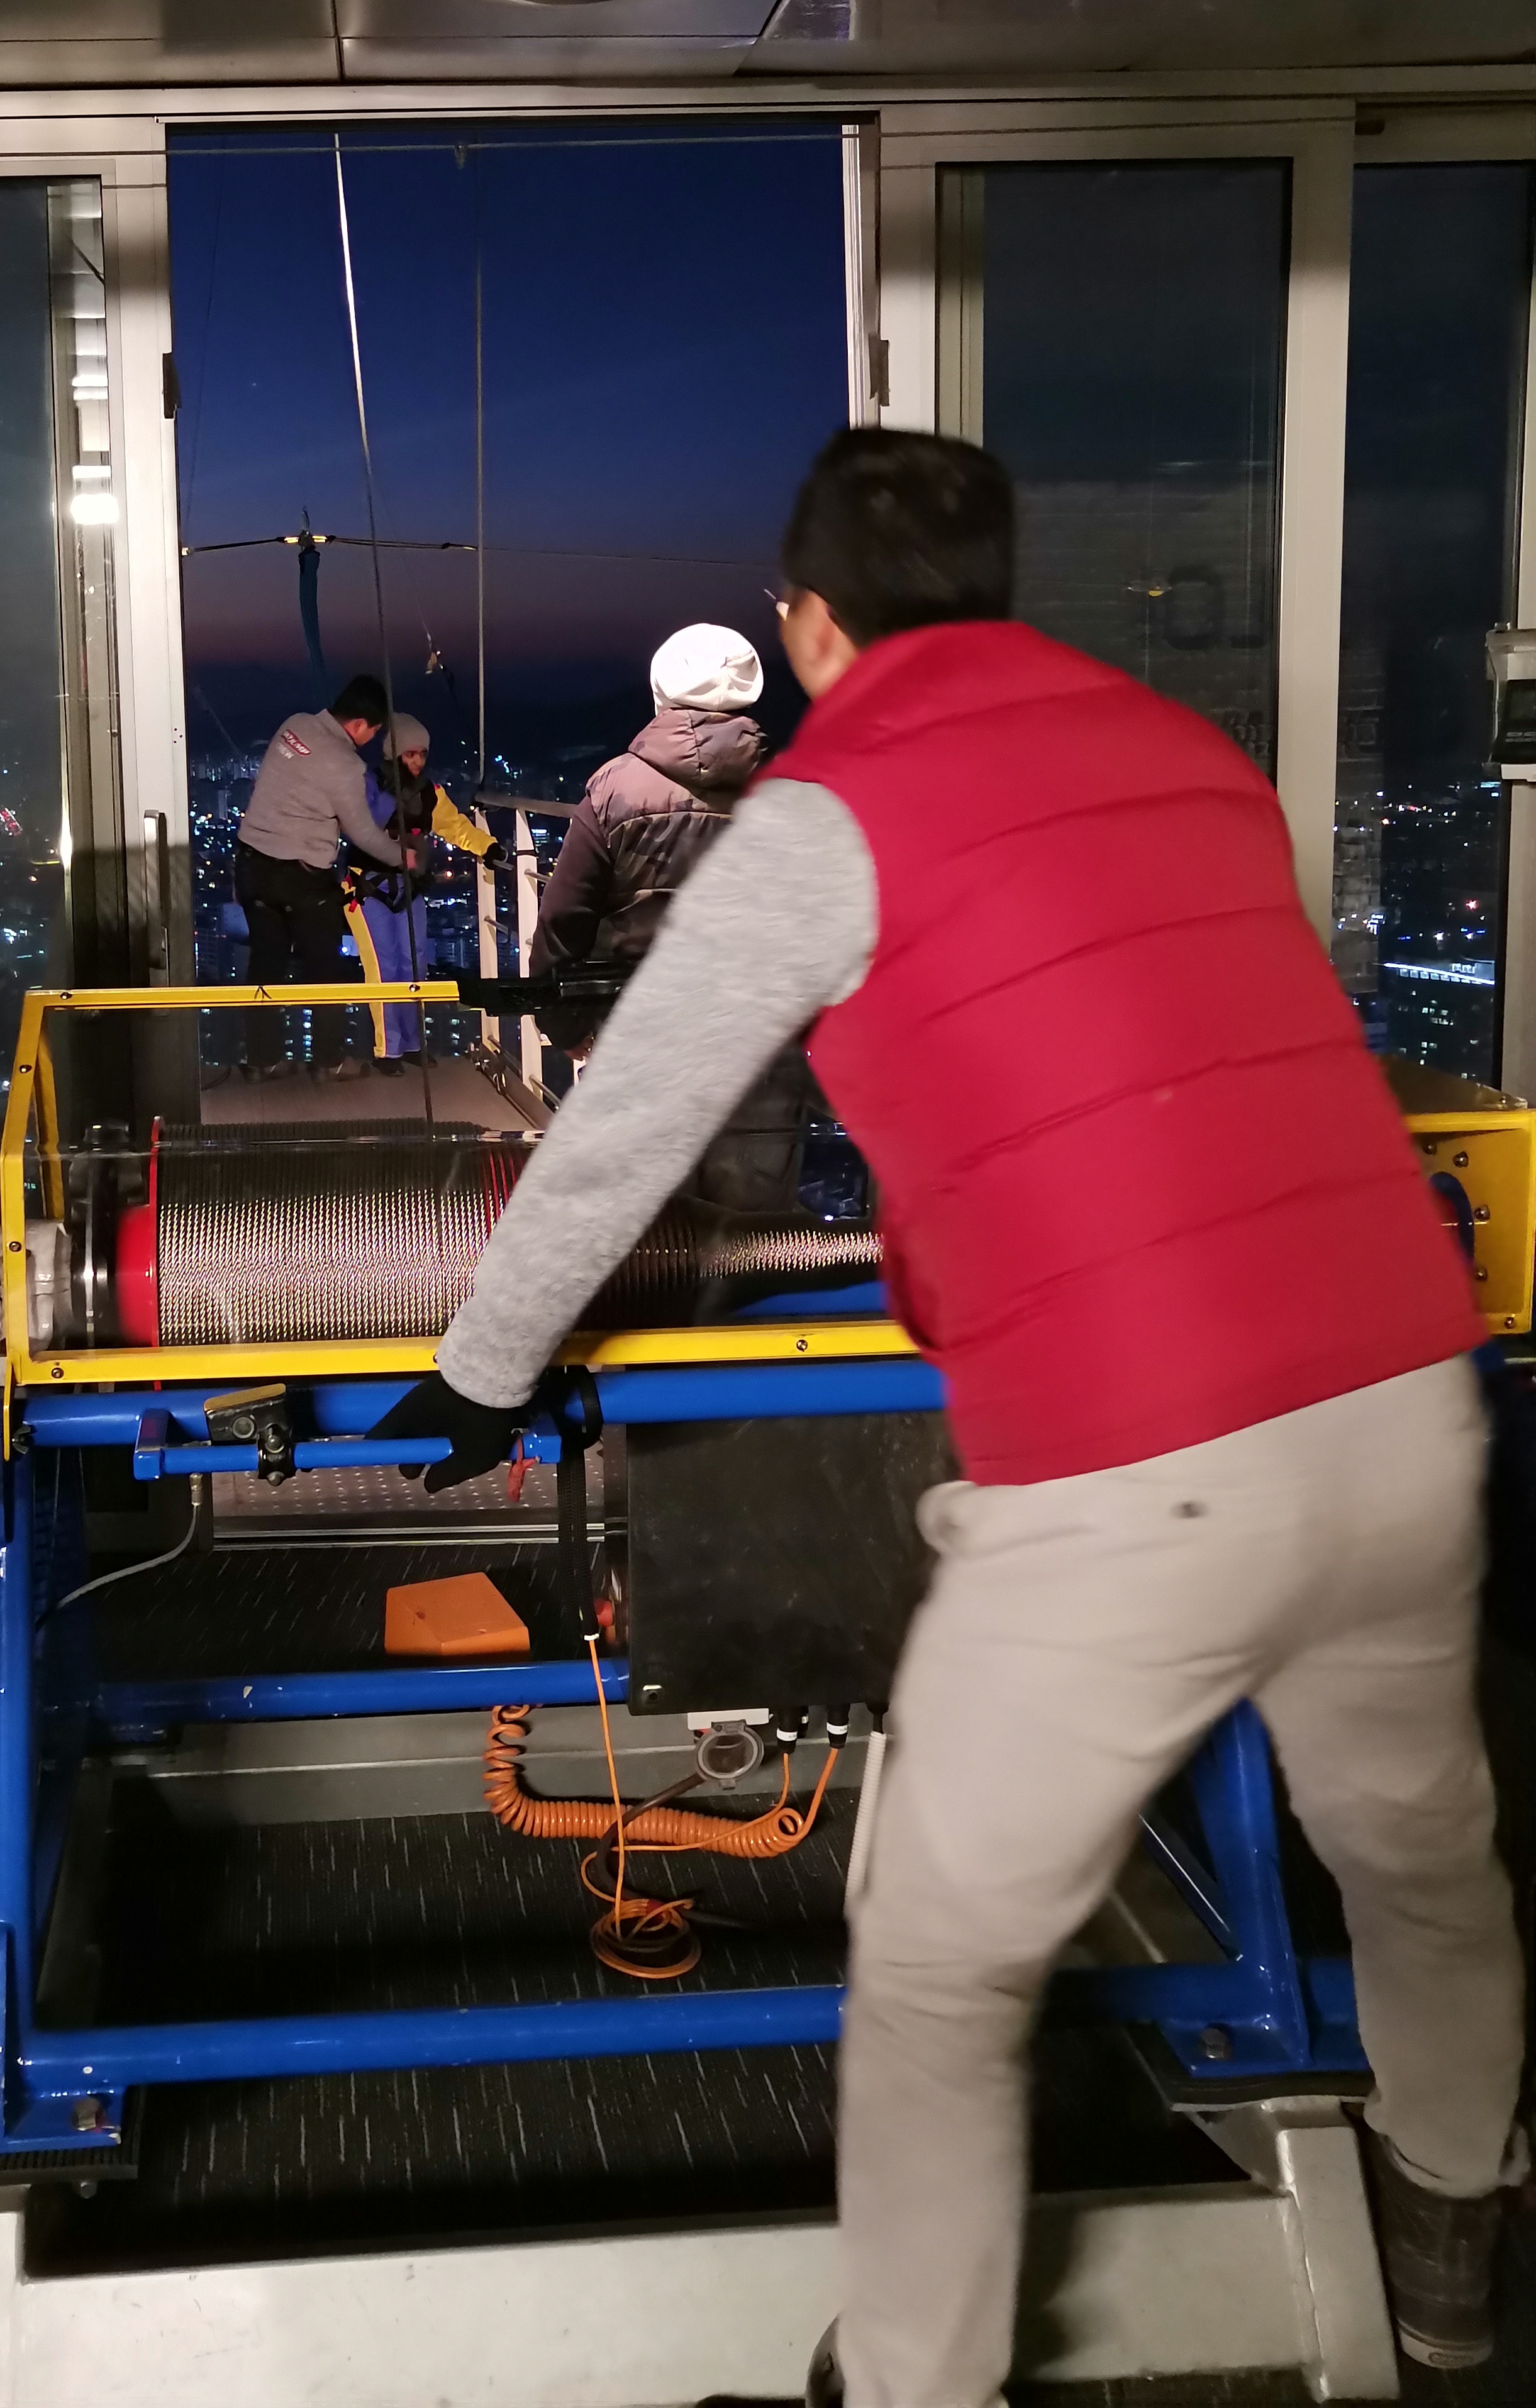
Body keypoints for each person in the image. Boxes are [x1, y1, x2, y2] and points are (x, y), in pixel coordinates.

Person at [374, 428, 1526, 2402]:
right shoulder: (1193, 757)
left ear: (810, 621)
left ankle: (917, 2379)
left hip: (1138, 1463)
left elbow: (623, 1131)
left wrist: (482, 1369)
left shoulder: (832, 811)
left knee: (940, 1965)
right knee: (1425, 1863)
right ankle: (1451, 2256)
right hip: (1409, 1402)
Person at [530, 620, 812, 1218]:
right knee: (754, 1236)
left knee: (645, 1232)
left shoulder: (614, 790)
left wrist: (565, 1025)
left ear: (661, 693)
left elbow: (562, 921)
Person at [232, 674, 409, 1080]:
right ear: (360, 724)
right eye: (374, 731)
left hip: (251, 866)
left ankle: (262, 1061)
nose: (371, 739)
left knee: (265, 966)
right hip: (302, 878)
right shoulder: (345, 764)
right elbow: (362, 832)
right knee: (324, 970)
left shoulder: (294, 725)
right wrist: (404, 858)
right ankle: (329, 1061)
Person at [351, 713, 503, 1066]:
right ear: (394, 754)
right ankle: (388, 1050)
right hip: (367, 886)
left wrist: (488, 847)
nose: (418, 761)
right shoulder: (367, 787)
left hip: (410, 885)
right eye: (410, 754)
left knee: (415, 963)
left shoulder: (430, 794)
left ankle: (413, 1044)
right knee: (384, 966)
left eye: (422, 754)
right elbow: (358, 826)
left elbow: (455, 826)